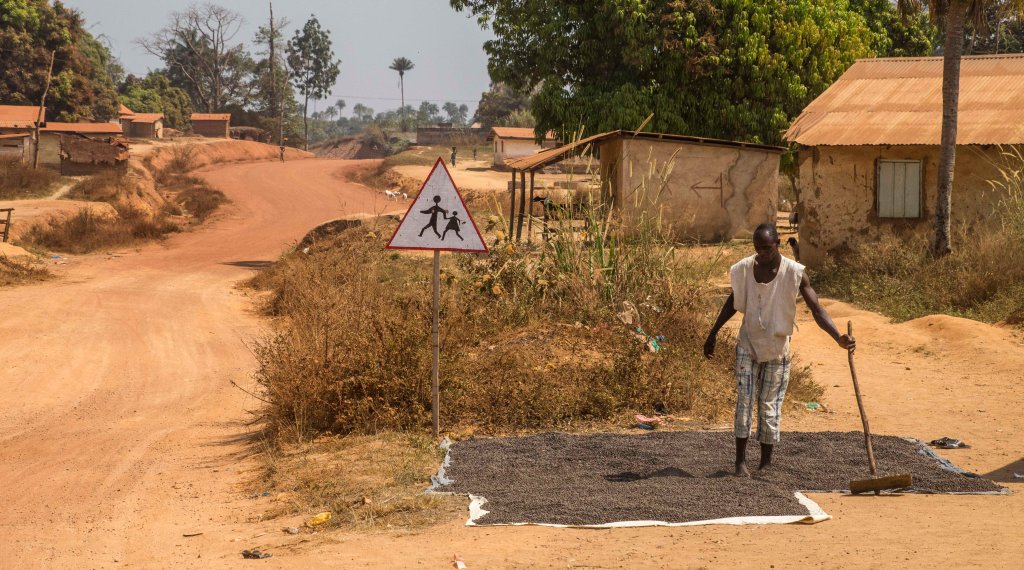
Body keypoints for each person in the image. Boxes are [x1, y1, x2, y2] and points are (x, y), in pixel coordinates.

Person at [704, 223, 854, 476]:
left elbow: (816, 309)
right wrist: (713, 333)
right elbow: (733, 301)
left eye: (767, 248)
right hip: (747, 343)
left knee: (770, 405)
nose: (761, 253)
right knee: (744, 402)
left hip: (777, 347)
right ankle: (740, 462)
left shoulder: (795, 273)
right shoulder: (743, 269)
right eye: (757, 248)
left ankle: (765, 464)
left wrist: (837, 336)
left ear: (778, 244)